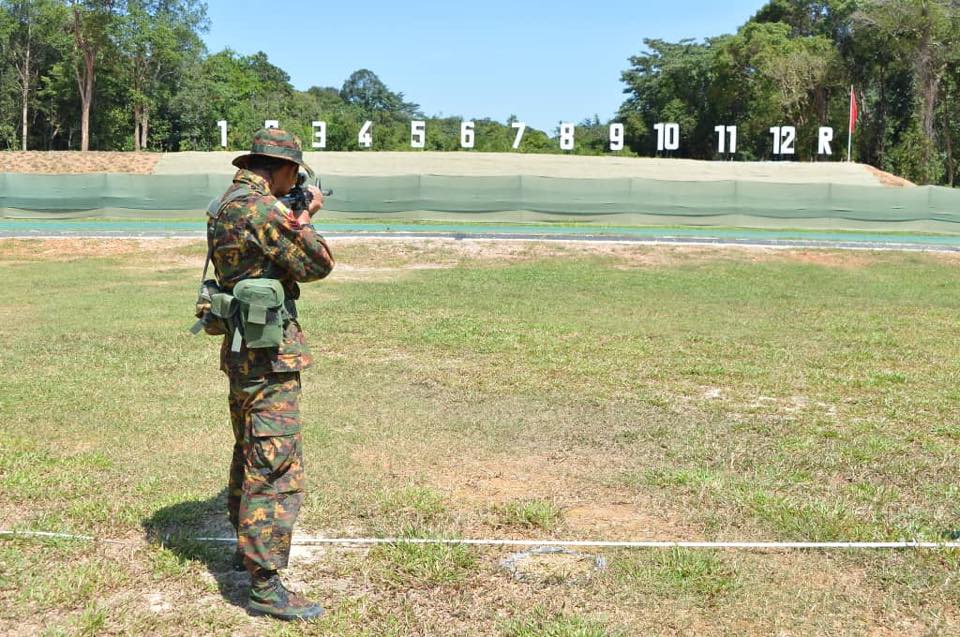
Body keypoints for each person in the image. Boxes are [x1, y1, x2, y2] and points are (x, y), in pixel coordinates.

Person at [204, 128, 334, 620]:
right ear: (279, 168)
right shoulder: (264, 210)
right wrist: (306, 215)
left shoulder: (224, 204)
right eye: (293, 173)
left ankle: (246, 550)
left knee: (250, 449)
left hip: (242, 352)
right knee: (275, 464)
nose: (294, 181)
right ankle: (265, 583)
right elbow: (317, 263)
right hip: (269, 356)